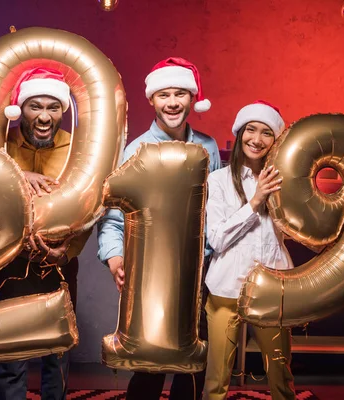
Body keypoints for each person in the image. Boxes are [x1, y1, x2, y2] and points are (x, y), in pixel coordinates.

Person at [97, 57, 221, 400]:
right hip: (150, 275)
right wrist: (115, 258)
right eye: (164, 94)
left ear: (192, 99)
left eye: (180, 93)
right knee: (149, 364)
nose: (172, 103)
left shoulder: (208, 148)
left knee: (193, 365)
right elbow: (112, 214)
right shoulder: (136, 151)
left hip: (200, 277)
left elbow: (215, 210)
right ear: (152, 99)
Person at [0, 67, 92, 400]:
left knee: (58, 349)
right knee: (11, 350)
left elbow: (91, 205)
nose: (45, 116)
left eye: (53, 107)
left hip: (60, 260)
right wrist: (17, 174)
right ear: (21, 108)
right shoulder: (0, 146)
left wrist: (69, 250)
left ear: (63, 111)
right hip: (10, 259)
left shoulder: (78, 147)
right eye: (36, 106)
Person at [203, 101, 296, 400]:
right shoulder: (217, 181)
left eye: (266, 132)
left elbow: (296, 232)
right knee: (216, 380)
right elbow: (216, 238)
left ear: (276, 140)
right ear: (239, 132)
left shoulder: (287, 182)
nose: (256, 139)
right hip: (224, 289)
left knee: (281, 377)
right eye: (250, 130)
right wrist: (255, 202)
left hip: (273, 290)